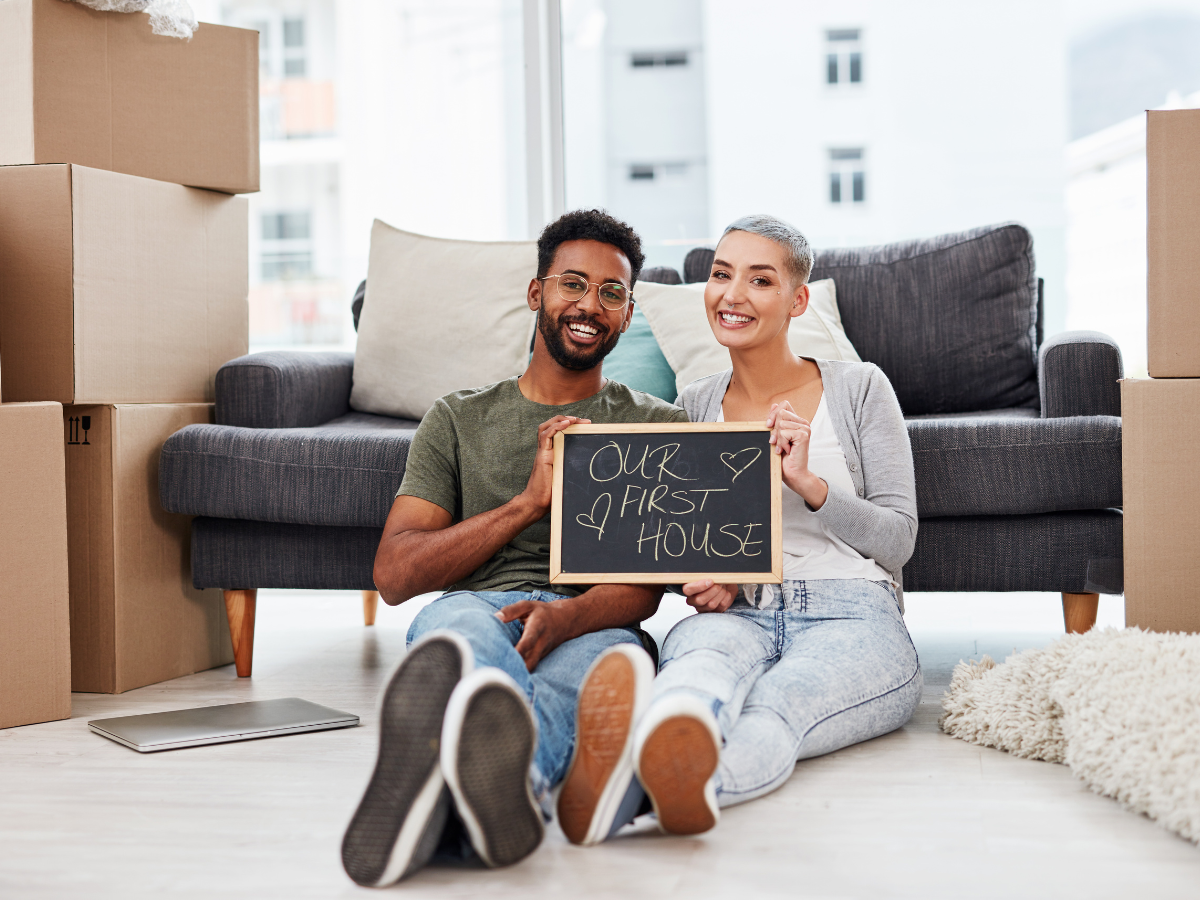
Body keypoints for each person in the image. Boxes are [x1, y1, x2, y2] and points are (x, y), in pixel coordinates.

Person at [340, 209, 688, 888]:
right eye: (573, 285)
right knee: (459, 645)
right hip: (479, 608)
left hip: (594, 619)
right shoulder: (457, 418)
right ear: (537, 294)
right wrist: (528, 503)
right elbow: (396, 573)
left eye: (611, 293)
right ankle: (501, 794)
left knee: (605, 675)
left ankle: (459, 791)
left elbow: (647, 590)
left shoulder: (656, 424)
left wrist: (565, 618)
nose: (590, 305)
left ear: (626, 313)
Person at [578, 213, 923, 839]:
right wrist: (703, 577)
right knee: (690, 682)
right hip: (737, 613)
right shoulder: (693, 407)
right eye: (720, 275)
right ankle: (627, 777)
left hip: (852, 613)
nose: (732, 295)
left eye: (759, 280)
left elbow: (899, 540)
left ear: (797, 301)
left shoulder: (859, 387)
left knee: (775, 706)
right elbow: (685, 538)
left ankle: (627, 797)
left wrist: (809, 484)